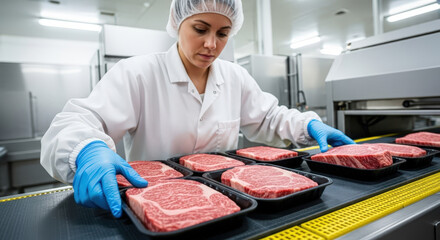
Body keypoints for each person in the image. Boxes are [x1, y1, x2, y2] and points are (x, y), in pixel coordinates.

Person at [41, 0, 355, 218]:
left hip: (229, 205)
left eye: (222, 34)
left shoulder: (234, 76)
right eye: (200, 29)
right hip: (157, 204)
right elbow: (78, 120)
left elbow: (268, 117)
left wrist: (308, 125)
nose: (211, 45)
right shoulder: (137, 73)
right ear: (178, 23)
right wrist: (87, 149)